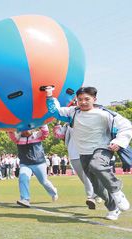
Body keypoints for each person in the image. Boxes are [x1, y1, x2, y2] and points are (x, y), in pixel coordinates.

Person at [46, 86, 131, 220]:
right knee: (96, 188)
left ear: (94, 99)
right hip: (84, 153)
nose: (83, 102)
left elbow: (125, 126)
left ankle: (117, 191)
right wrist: (49, 95)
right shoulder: (73, 113)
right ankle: (113, 208)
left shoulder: (105, 113)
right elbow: (55, 111)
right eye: (80, 99)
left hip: (103, 148)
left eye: (87, 99)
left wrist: (119, 141)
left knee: (97, 165)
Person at [8, 125, 58, 208]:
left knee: (44, 181)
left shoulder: (37, 135)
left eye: (28, 129)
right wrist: (9, 127)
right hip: (25, 163)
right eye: (23, 130)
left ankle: (53, 192)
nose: (26, 131)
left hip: (39, 163)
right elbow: (11, 133)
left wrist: (42, 123)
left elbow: (45, 132)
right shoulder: (18, 138)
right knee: (23, 178)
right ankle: (25, 199)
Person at [54, 123, 99, 209]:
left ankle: (91, 197)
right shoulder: (67, 124)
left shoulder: (88, 118)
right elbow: (58, 135)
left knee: (86, 175)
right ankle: (97, 192)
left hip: (87, 152)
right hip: (74, 154)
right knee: (84, 179)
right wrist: (57, 124)